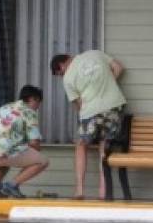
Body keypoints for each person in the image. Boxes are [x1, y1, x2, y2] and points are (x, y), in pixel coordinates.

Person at [51, 50, 126, 200]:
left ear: (61, 65)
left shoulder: (68, 79)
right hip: (114, 106)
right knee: (104, 148)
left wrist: (85, 115)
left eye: (59, 73)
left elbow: (79, 104)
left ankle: (79, 190)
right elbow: (118, 68)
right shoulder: (95, 53)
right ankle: (103, 192)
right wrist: (109, 84)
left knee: (81, 145)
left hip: (91, 111)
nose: (61, 77)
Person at [0, 85, 49, 199]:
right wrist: (34, 154)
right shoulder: (29, 111)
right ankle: (12, 185)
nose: (38, 107)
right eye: (38, 103)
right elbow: (34, 142)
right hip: (4, 152)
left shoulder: (5, 107)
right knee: (42, 161)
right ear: (33, 99)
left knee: (5, 156)